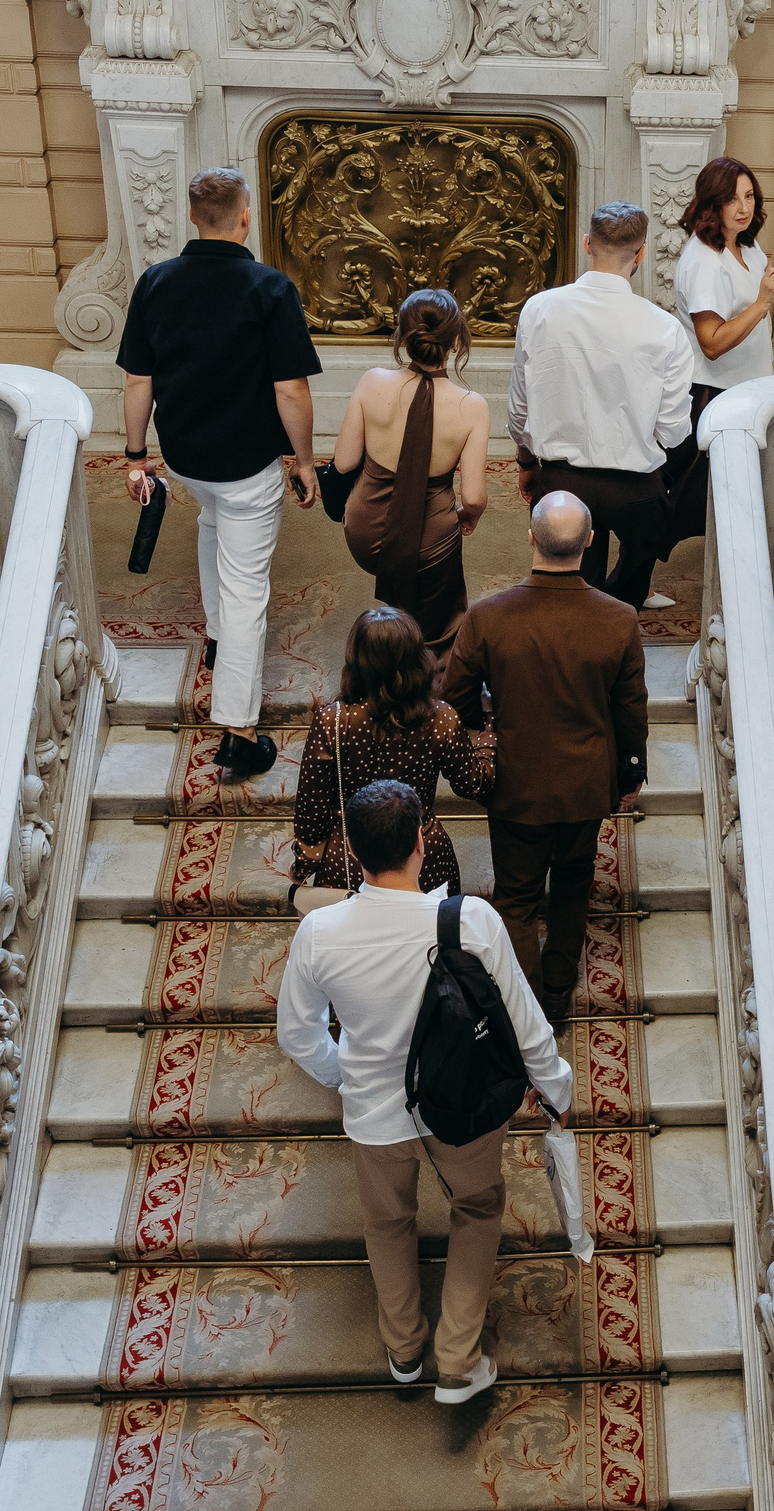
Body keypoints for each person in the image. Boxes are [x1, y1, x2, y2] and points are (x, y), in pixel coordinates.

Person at [276, 777, 572, 1405]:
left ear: (352, 849)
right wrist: (556, 1089)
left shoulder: (319, 932)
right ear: (420, 841)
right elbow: (525, 1022)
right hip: (463, 1106)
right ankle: (458, 1358)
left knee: (388, 1224)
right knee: (477, 1209)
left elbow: (297, 1034)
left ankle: (405, 1350)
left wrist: (341, 1074)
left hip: (373, 1118)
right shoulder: (472, 921)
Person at [120, 166, 321, 784]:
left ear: (191, 216)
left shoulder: (155, 282)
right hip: (245, 466)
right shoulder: (270, 288)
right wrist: (304, 461)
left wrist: (135, 456)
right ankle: (238, 732)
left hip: (184, 457)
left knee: (211, 521)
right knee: (246, 589)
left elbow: (137, 380)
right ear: (245, 217)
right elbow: (291, 390)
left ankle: (213, 637)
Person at [441, 492, 649, 1016]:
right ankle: (558, 989)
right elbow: (630, 709)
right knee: (574, 882)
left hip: (515, 781)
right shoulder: (620, 619)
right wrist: (631, 771)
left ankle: (527, 1006)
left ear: (530, 537)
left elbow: (453, 697)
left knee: (515, 897)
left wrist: (485, 730)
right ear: (591, 541)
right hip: (586, 784)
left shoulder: (487, 617)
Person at [507, 202, 694, 607]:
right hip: (636, 491)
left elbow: (520, 409)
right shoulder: (666, 329)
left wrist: (526, 463)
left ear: (587, 244)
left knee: (566, 595)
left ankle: (575, 619)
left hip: (563, 482)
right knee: (642, 546)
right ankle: (623, 607)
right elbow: (673, 430)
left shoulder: (539, 310)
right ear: (641, 255)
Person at [294, 607, 496, 900]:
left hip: (352, 858)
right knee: (429, 927)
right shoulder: (441, 718)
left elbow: (311, 810)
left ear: (356, 660)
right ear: (418, 659)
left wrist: (305, 864)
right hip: (423, 857)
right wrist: (489, 728)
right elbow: (474, 783)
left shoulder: (332, 720)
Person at [658, 159, 774, 599]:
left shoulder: (744, 244)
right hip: (712, 393)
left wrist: (771, 268)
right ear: (711, 203)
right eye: (732, 198)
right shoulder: (704, 260)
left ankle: (729, 579)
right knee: (684, 499)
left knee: (726, 495)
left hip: (745, 387)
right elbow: (712, 342)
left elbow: (748, 291)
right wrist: (764, 301)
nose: (744, 207)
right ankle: (628, 584)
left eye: (749, 196)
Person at [337, 290, 490, 662]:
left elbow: (343, 462)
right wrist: (468, 516)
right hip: (428, 547)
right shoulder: (472, 406)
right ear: (456, 342)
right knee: (445, 610)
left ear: (403, 337)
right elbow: (473, 497)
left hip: (364, 534)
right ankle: (432, 660)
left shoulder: (371, 382)